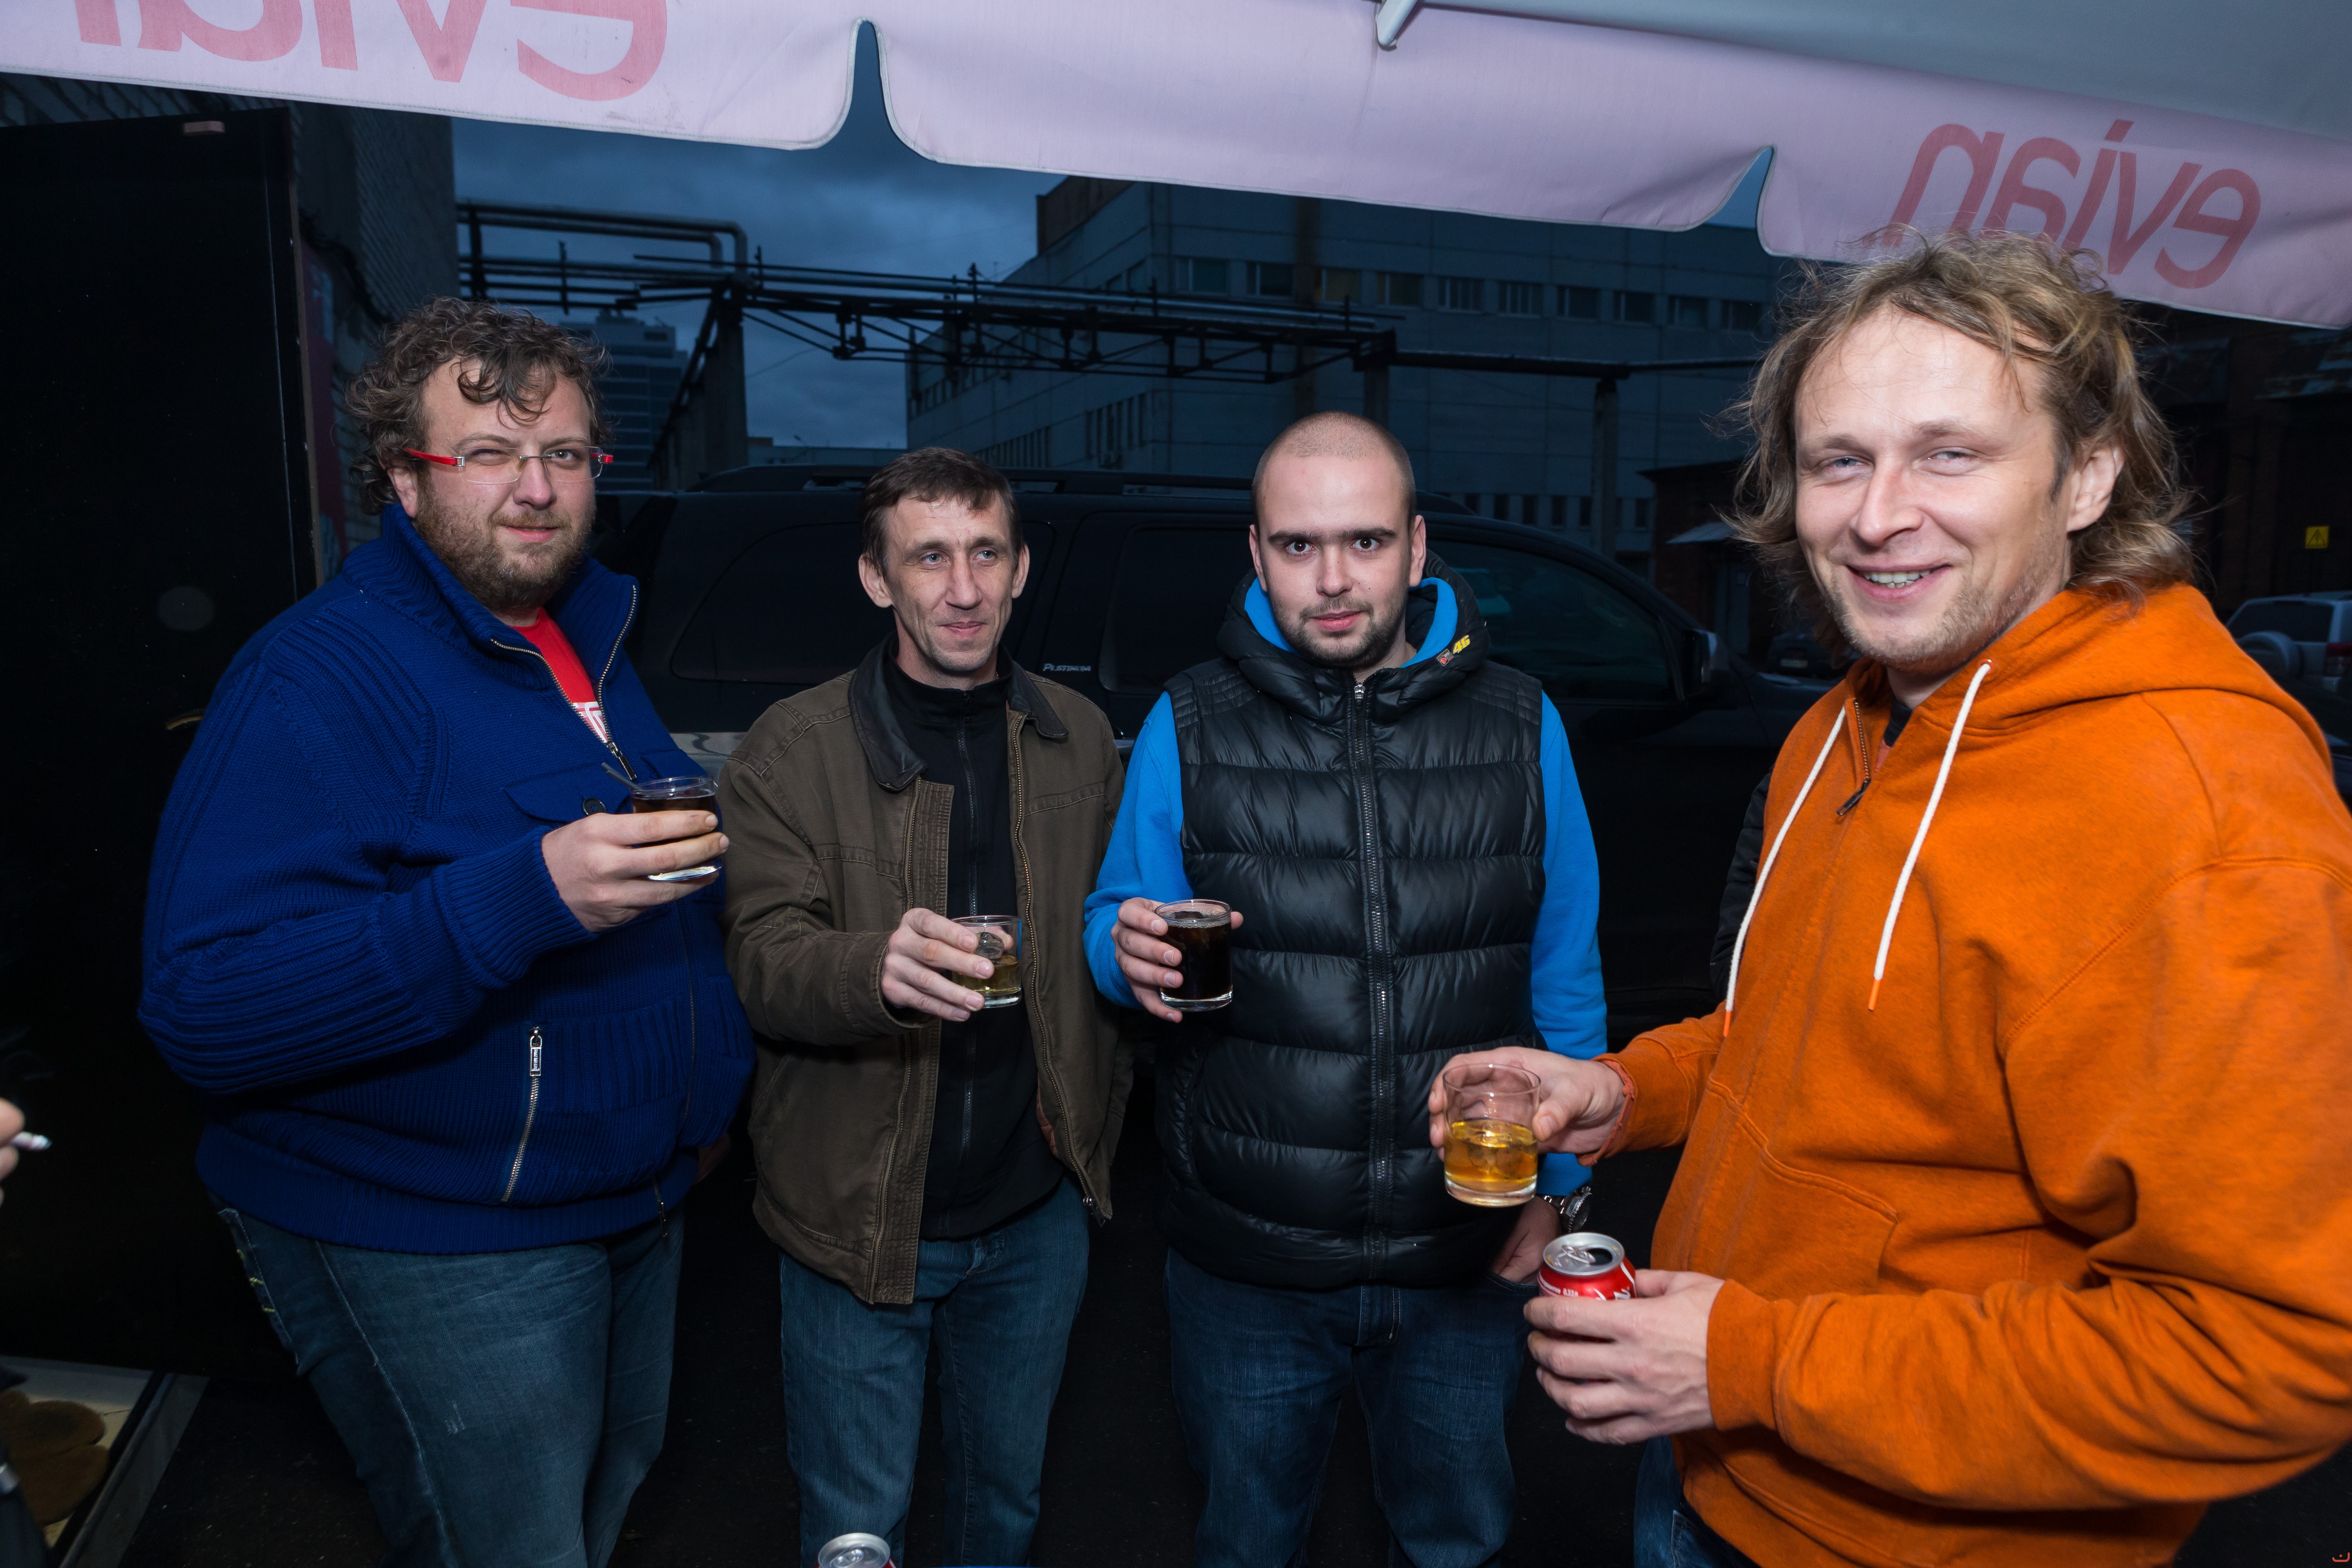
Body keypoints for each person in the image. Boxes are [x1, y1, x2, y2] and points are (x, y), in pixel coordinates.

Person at [1443, 230, 2352, 1568]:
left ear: (2089, 473)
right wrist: (1623, 1091)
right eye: (1839, 460)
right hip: (1715, 1472)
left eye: (1950, 454)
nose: (1876, 516)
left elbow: (2268, 1353)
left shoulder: (2203, 810)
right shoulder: (1842, 724)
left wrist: (1754, 1363)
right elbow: (1811, 1049)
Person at [140, 299, 752, 1568]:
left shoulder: (584, 645)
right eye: (487, 454)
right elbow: (205, 1007)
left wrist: (709, 1101)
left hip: (633, 1198)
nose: (536, 488)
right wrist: (521, 898)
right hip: (436, 1229)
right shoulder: (317, 676)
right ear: (404, 481)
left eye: (565, 454)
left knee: (601, 1504)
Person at [1086, 412, 1608, 1568]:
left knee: (1456, 1543)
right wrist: (1117, 953)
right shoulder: (1189, 718)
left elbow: (1564, 970)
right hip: (1249, 1261)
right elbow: (1115, 914)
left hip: (1463, 1245)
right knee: (1246, 1543)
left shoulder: (1522, 719)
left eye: (1365, 542)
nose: (1332, 580)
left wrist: (1561, 1192)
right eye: (1298, 545)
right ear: (1257, 554)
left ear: (1417, 548)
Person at [716, 448, 1130, 1568]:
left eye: (986, 554)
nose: (963, 589)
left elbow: (1106, 936)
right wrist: (874, 971)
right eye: (929, 557)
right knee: (858, 1529)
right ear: (876, 578)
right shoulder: (791, 751)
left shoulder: (1080, 738)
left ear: (1022, 568)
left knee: (1005, 1510)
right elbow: (760, 959)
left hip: (1034, 1215)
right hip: (857, 1222)